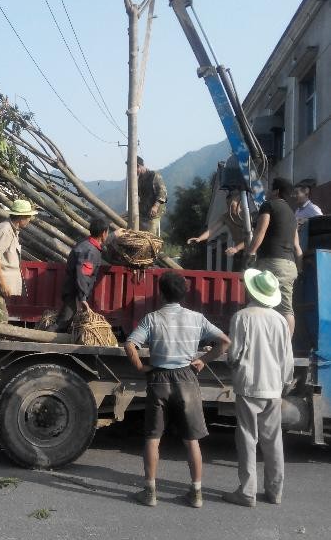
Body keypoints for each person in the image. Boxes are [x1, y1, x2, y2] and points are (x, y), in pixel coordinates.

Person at [124, 272, 230, 508]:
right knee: (191, 439)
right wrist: (205, 359)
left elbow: (130, 344)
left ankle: (150, 491)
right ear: (184, 293)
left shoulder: (152, 318)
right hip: (186, 377)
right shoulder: (197, 318)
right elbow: (224, 341)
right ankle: (196, 493)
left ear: (161, 293)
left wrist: (141, 366)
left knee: (153, 437)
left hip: (159, 377)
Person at [223, 268, 294, 507]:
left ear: (251, 290)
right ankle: (275, 492)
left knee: (247, 438)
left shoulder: (242, 316)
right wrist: (284, 383)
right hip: (274, 387)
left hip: (249, 385)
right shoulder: (281, 321)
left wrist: (231, 365)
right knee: (273, 440)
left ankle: (247, 492)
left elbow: (234, 353)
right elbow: (287, 358)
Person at [246, 177, 302, 336]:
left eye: (271, 188)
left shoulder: (269, 205)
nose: (269, 192)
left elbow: (260, 232)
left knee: (260, 301)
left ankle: (259, 340)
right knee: (286, 309)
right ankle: (286, 348)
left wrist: (250, 254)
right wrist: (300, 268)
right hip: (290, 266)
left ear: (276, 191)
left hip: (272, 262)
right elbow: (297, 247)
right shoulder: (292, 215)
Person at [55, 215, 111, 332]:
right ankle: (46, 343)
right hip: (74, 293)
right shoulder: (90, 251)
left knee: (66, 324)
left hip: (73, 290)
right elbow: (83, 276)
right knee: (62, 323)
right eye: (107, 232)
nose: (108, 234)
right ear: (103, 233)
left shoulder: (86, 244)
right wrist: (82, 298)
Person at [188, 191, 247, 268]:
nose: (229, 208)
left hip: (249, 250)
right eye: (228, 205)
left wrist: (236, 248)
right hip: (238, 252)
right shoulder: (226, 217)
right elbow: (212, 230)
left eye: (232, 205)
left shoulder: (247, 217)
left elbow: (251, 239)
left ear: (239, 203)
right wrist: (199, 238)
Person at [135, 156, 167, 234]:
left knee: (150, 235)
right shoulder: (139, 179)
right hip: (143, 212)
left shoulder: (154, 175)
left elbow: (163, 192)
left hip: (154, 213)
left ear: (138, 166)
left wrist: (155, 206)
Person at [294, 182, 323, 251]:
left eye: (296, 193)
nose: (294, 196)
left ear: (306, 193)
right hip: (298, 246)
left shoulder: (313, 209)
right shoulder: (297, 211)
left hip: (310, 247)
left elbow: (321, 225)